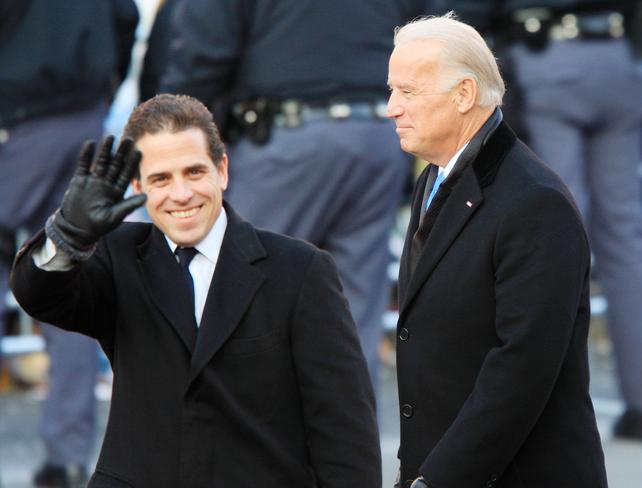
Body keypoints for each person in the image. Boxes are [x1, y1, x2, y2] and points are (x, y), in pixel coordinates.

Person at [10, 94, 381, 487]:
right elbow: (38, 294)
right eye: (160, 179)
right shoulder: (116, 258)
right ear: (137, 185)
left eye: (193, 172)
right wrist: (68, 233)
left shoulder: (299, 269)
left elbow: (344, 429)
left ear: (222, 170)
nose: (181, 194)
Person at [159, 0, 437, 390]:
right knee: (351, 320)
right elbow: (433, 24)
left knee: (248, 307)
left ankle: (253, 446)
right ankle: (348, 449)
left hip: (288, 141)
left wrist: (172, 141)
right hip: (377, 129)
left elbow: (204, 54)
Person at [387, 14, 607, 487]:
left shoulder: (535, 202)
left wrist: (436, 480)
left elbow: (521, 369)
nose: (391, 108)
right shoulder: (437, 178)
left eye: (407, 92)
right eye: (392, 91)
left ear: (464, 95)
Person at [440, 0, 642, 439]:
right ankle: (640, 404)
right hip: (619, 58)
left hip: (549, 59)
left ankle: (544, 402)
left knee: (556, 226)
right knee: (626, 235)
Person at [0, 2, 138, 486]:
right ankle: (69, 456)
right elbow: (126, 18)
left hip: (15, 115)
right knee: (64, 268)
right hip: (79, 115)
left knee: (62, 267)